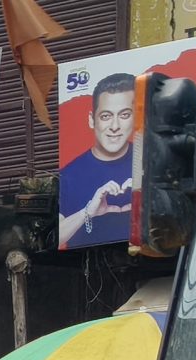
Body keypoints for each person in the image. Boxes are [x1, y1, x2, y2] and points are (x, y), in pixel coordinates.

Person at [59, 72, 139, 249]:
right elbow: (52, 238)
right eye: (106, 116)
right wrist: (88, 212)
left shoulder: (152, 161)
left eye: (124, 115)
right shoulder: (68, 176)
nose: (115, 126)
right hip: (87, 264)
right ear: (91, 120)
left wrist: (147, 196)